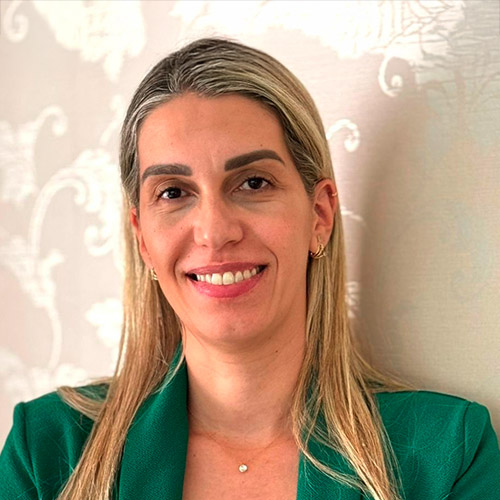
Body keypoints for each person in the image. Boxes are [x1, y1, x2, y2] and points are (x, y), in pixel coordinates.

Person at [1, 37, 499, 500]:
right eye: (173, 192)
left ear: (319, 216)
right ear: (143, 241)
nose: (215, 231)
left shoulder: (447, 453)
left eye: (253, 183)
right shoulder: (46, 451)